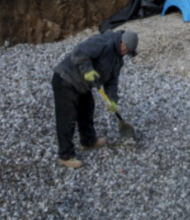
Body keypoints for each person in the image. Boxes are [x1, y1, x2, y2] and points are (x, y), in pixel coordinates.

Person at [51, 30, 138, 169]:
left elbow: (112, 81)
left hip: (83, 85)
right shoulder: (105, 42)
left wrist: (112, 99)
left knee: (87, 108)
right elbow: (79, 52)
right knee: (67, 118)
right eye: (124, 46)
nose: (124, 50)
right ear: (121, 41)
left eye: (128, 50)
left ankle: (88, 141)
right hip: (66, 79)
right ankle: (65, 156)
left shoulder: (118, 59)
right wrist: (88, 69)